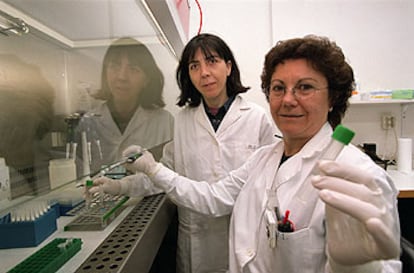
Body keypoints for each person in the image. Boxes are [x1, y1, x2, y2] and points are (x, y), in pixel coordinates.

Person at [122, 35, 402, 272]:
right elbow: (211, 199)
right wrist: (150, 170)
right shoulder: (263, 159)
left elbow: (383, 263)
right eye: (279, 88)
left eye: (305, 87)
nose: (288, 99)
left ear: (333, 99)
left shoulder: (361, 176)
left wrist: (359, 270)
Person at [91, 33, 275, 272]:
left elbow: (268, 188)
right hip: (195, 243)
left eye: (212, 61)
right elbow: (163, 177)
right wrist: (122, 187)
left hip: (243, 240)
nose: (204, 72)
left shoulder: (256, 118)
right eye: (194, 66)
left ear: (228, 67)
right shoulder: (183, 120)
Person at [77, 37, 174, 187]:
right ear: (105, 73)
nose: (122, 77)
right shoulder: (89, 121)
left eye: (133, 69)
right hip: (98, 201)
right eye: (114, 66)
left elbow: (170, 176)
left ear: (147, 80)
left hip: (146, 201)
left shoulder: (164, 121)